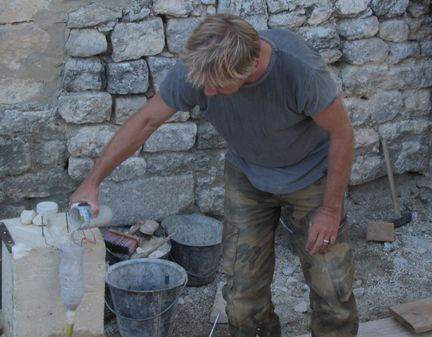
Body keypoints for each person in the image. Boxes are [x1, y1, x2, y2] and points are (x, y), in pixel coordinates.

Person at [70, 13, 358, 337]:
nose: (205, 91)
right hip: (248, 177)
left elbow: (342, 134)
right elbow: (145, 121)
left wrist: (331, 210)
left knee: (331, 292)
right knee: (242, 298)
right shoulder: (202, 67)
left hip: (312, 177)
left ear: (249, 69)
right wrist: (92, 182)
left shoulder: (300, 72)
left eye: (218, 87)